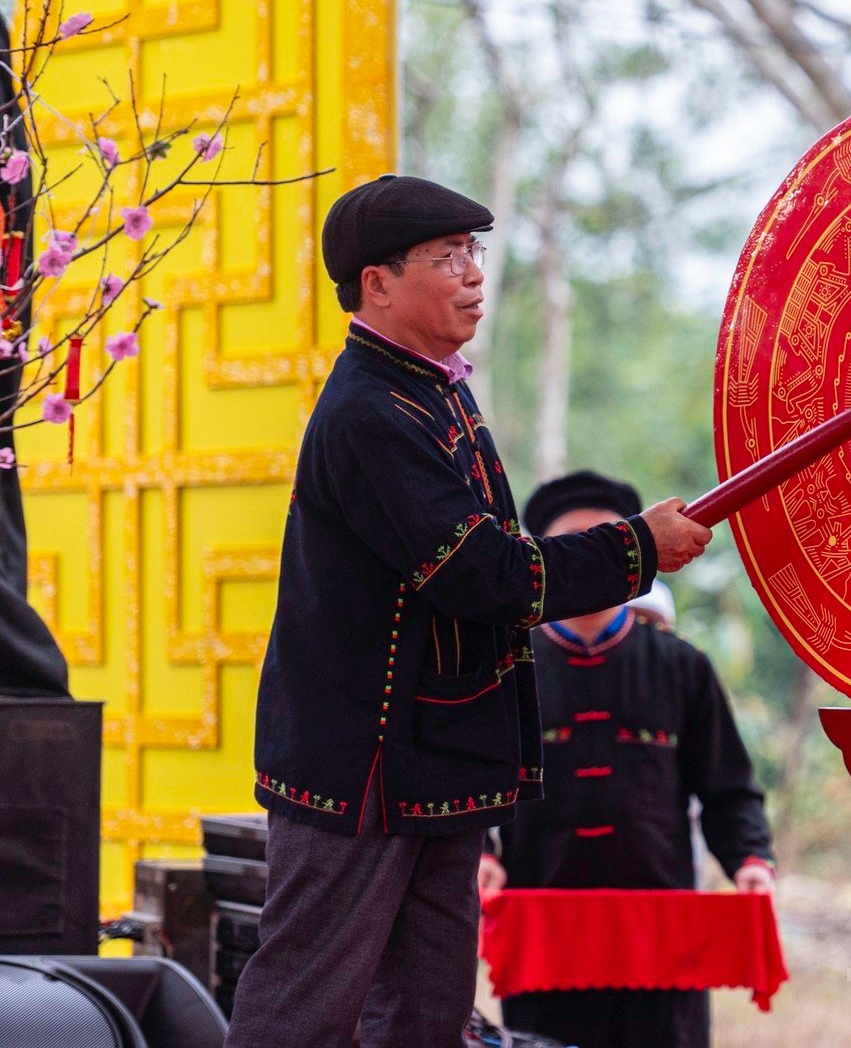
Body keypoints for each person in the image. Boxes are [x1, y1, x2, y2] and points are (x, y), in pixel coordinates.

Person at [223, 176, 714, 1048]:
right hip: (361, 770)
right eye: (448, 256)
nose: (474, 275)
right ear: (377, 282)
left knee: (428, 1012)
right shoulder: (370, 412)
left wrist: (629, 549)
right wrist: (633, 549)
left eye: (475, 252)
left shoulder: (434, 388)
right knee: (303, 1012)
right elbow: (487, 575)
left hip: (438, 760)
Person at [480, 469, 777, 1048]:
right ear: (544, 560)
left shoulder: (681, 666)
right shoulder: (505, 672)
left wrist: (750, 859)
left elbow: (727, 788)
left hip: (664, 935)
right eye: (573, 544)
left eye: (607, 540)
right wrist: (481, 853)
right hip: (546, 937)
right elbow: (474, 785)